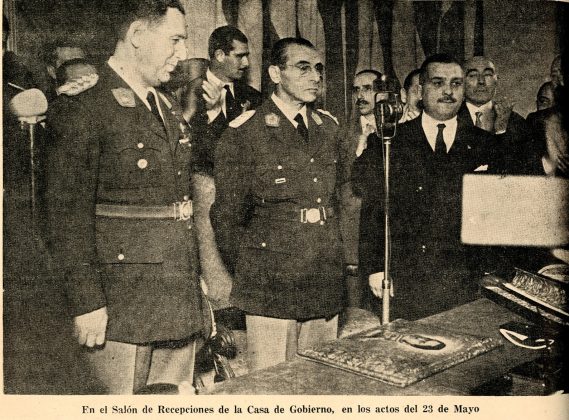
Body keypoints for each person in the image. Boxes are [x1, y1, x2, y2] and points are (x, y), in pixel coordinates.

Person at [45, 0, 208, 394]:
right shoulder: (84, 105)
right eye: (175, 40)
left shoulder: (165, 104)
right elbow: (65, 215)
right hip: (121, 304)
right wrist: (86, 302)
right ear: (137, 35)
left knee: (175, 403)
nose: (182, 53)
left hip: (177, 292)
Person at [211, 37, 345, 371]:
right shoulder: (245, 132)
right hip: (271, 283)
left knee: (321, 382)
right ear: (275, 73)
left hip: (323, 277)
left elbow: (336, 200)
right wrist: (254, 270)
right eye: (303, 68)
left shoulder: (328, 127)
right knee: (272, 384)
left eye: (318, 69)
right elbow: (226, 218)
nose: (315, 77)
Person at [354, 53, 495, 321]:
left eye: (456, 84)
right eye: (438, 83)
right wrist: (375, 267)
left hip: (465, 276)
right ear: (420, 91)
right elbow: (373, 209)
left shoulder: (486, 144)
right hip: (406, 276)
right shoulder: (391, 140)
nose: (448, 92)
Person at [190, 25, 263, 176]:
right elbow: (194, 153)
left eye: (247, 56)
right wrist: (213, 113)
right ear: (219, 55)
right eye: (240, 56)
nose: (246, 63)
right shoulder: (189, 93)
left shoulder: (254, 97)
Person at [339, 69, 382, 308]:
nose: (361, 95)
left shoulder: (399, 129)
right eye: (356, 90)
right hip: (353, 238)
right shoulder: (342, 133)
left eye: (368, 89)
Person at [458, 55, 531, 174]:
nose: (481, 81)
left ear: (497, 80)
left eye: (487, 75)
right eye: (473, 75)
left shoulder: (516, 122)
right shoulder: (448, 118)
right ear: (460, 82)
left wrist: (501, 132)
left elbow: (524, 171)